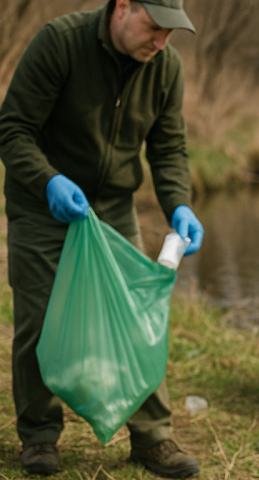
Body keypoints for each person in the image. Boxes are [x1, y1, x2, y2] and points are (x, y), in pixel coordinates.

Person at [0, 0, 205, 477]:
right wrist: (48, 180)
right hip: (42, 203)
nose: (162, 43)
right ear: (123, 7)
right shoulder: (60, 43)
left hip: (112, 206)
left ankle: (152, 438)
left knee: (136, 316)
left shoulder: (166, 68)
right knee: (41, 318)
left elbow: (169, 146)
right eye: (154, 28)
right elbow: (13, 130)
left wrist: (179, 203)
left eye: (171, 33)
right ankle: (39, 436)